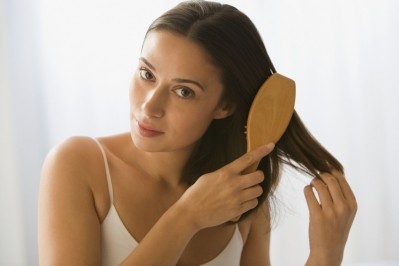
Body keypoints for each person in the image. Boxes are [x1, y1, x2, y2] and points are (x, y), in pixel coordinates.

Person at [38, 1, 357, 265]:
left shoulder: (241, 190)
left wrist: (325, 254)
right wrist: (187, 216)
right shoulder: (77, 165)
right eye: (147, 74)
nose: (150, 106)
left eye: (184, 92)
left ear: (226, 105)